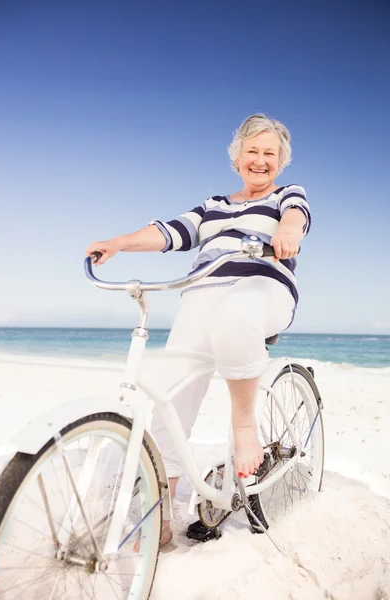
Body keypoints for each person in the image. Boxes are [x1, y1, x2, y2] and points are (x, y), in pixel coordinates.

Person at [86, 113, 310, 546]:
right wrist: (117, 243)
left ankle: (246, 430)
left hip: (261, 286)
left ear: (280, 162)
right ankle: (162, 513)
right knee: (171, 400)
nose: (260, 160)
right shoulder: (213, 206)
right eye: (252, 151)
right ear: (237, 158)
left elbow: (296, 216)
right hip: (201, 293)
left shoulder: (288, 195)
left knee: (236, 316)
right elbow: (169, 232)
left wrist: (287, 231)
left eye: (270, 154)